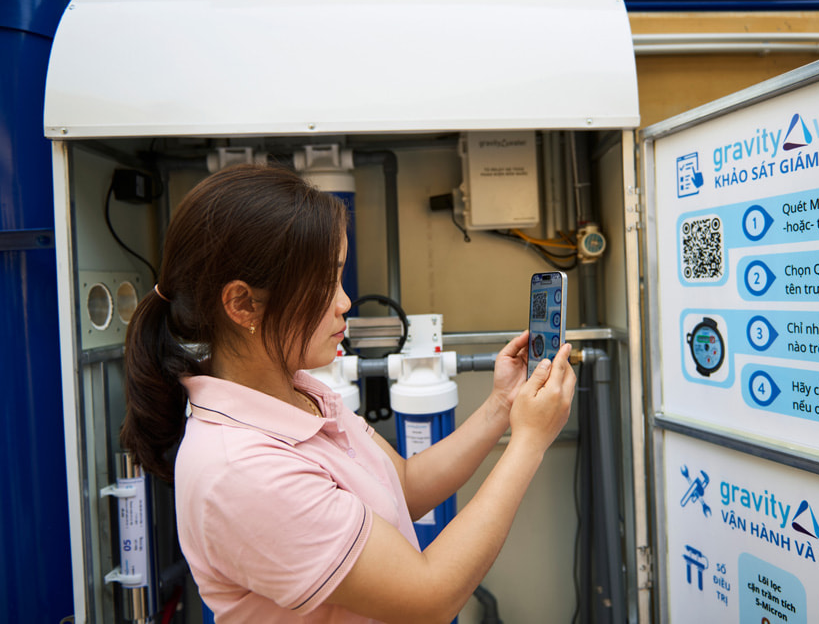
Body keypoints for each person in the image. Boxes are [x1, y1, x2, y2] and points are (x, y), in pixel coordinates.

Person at [121, 164, 577, 623]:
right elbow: (429, 597)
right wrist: (528, 444)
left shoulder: (298, 392)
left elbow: (402, 485)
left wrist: (502, 406)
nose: (344, 302)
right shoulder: (240, 472)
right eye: (324, 283)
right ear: (242, 303)